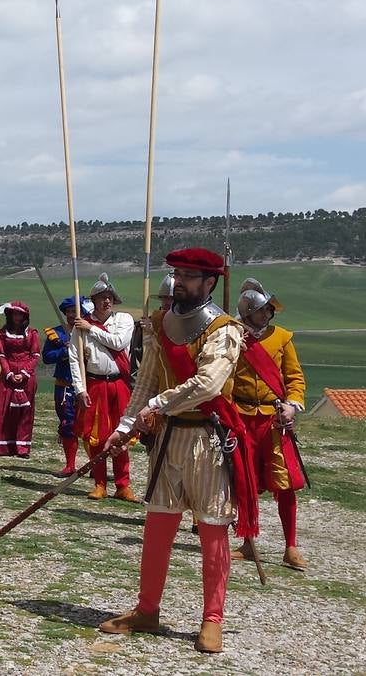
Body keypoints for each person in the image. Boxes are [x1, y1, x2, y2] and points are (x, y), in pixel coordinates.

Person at [98, 248, 251, 655]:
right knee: (158, 529)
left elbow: (208, 384)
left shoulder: (224, 329)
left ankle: (212, 619)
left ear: (209, 282)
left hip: (209, 440)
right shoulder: (159, 324)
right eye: (177, 273)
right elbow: (146, 380)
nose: (179, 281)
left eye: (188, 275)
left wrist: (156, 406)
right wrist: (124, 428)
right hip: (168, 441)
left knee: (212, 532)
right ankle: (147, 610)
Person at [230, 277, 309, 571]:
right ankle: (248, 540)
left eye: (268, 310)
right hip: (240, 417)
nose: (268, 314)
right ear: (250, 314)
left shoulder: (283, 338)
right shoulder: (234, 335)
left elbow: (294, 378)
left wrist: (292, 404)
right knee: (243, 480)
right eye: (262, 310)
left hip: (274, 419)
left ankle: (290, 546)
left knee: (285, 482)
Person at [71, 273, 140, 502]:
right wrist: (80, 389)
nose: (106, 301)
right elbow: (74, 358)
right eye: (102, 297)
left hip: (118, 383)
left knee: (121, 434)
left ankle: (123, 484)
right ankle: (100, 483)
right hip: (95, 383)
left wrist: (90, 329)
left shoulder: (124, 320)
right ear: (95, 300)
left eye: (109, 297)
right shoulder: (81, 325)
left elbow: (118, 342)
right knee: (96, 437)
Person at [0, 302, 38, 457]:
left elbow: (35, 355)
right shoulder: (2, 333)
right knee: (1, 409)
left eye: (19, 314)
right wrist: (9, 373)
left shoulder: (32, 333)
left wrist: (25, 373)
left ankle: (22, 448)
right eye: (13, 314)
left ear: (24, 316)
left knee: (24, 412)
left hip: (27, 375)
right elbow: (1, 354)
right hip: (7, 373)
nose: (16, 317)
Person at [41, 296, 92, 476]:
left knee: (90, 425)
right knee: (68, 424)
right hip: (64, 385)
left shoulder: (89, 332)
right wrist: (64, 351)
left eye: (75, 311)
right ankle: (70, 465)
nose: (72, 315)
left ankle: (95, 465)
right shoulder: (56, 333)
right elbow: (47, 357)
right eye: (69, 311)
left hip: (87, 385)